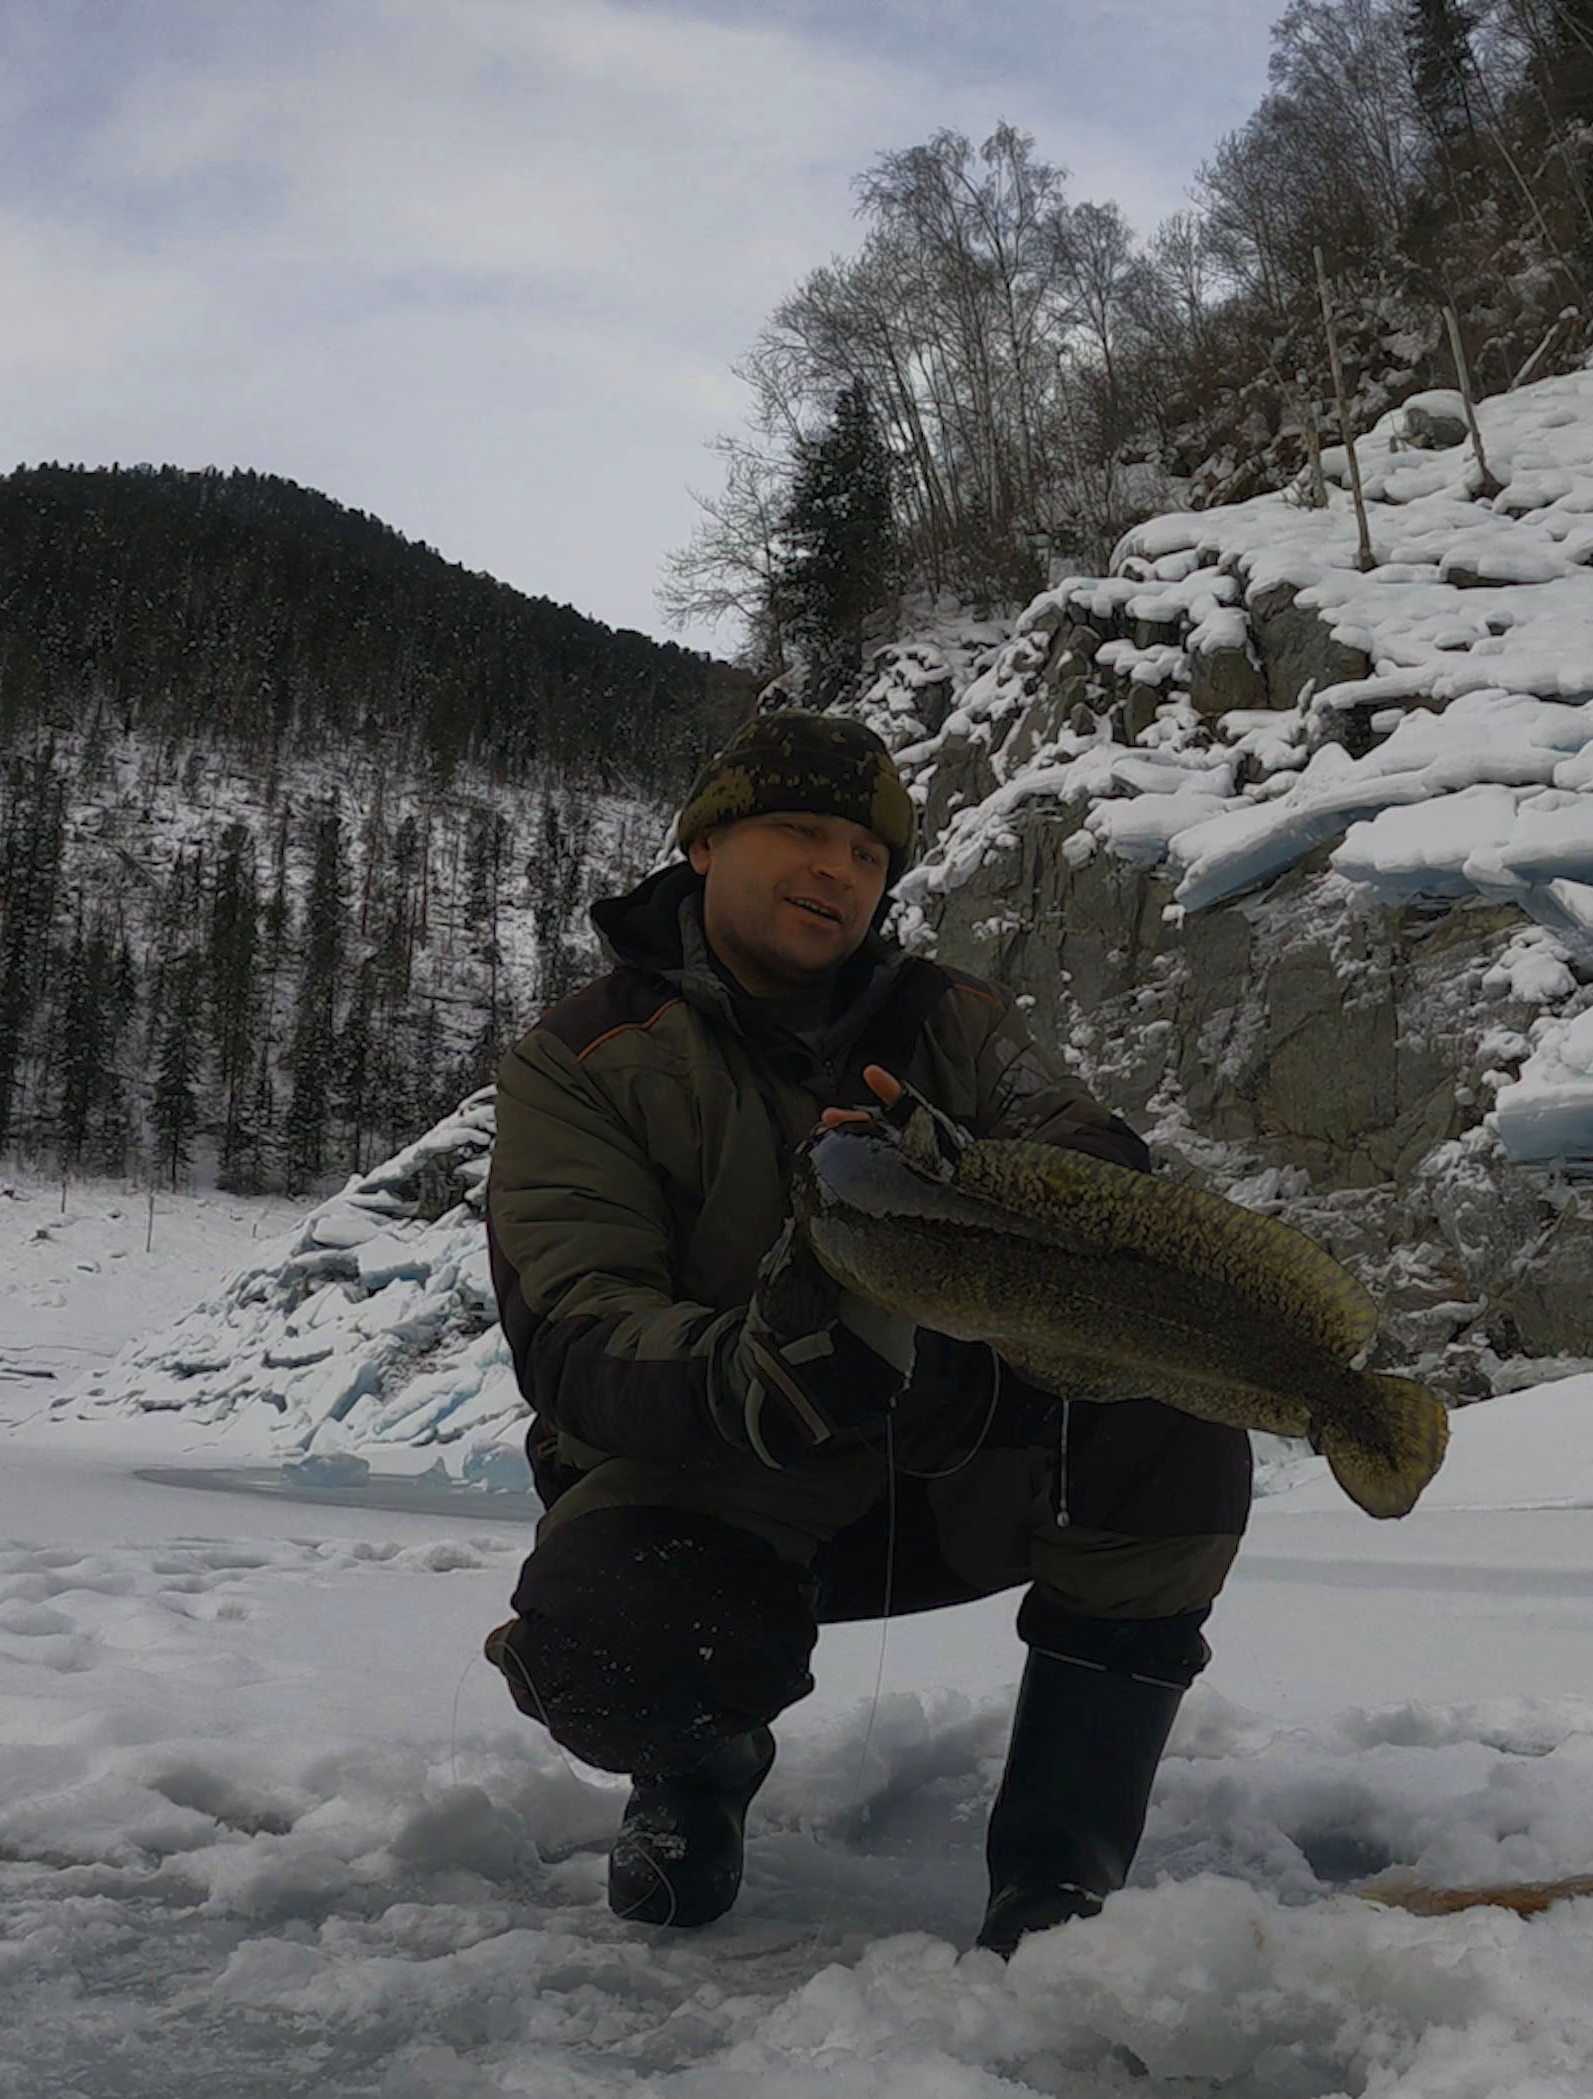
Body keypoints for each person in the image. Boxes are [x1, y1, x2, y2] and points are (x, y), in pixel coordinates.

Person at [479, 707, 1251, 1951]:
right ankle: (696, 1776)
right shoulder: (583, 1060)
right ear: (704, 846)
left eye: (868, 852)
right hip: (721, 1474)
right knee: (615, 1641)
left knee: (1173, 1411)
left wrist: (997, 1176)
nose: (837, 869)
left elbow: (1089, 1150)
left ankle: (1059, 1883)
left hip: (945, 1461)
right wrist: (754, 1369)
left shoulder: (954, 1022)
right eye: (799, 831)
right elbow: (576, 1334)